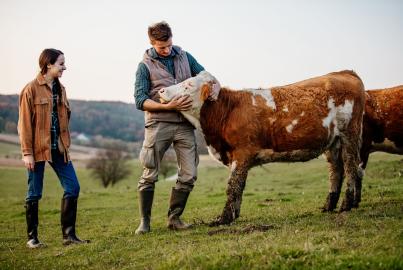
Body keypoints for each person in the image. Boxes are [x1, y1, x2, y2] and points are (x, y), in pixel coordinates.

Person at [134, 21, 219, 234]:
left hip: (185, 124)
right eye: (162, 47)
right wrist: (169, 105)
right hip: (158, 124)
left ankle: (174, 218)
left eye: (169, 44)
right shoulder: (144, 66)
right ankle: (144, 222)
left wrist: (214, 86)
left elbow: (204, 76)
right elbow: (140, 100)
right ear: (152, 43)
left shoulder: (185, 57)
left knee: (189, 173)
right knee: (150, 172)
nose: (167, 50)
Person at [18, 48, 89, 248]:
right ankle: (32, 238)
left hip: (59, 149)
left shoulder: (61, 89)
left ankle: (69, 236)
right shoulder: (30, 89)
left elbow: (65, 117)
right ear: (48, 64)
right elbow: (24, 125)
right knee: (34, 193)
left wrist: (65, 143)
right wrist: (27, 153)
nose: (64, 67)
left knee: (73, 187)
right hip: (37, 150)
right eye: (61, 63)